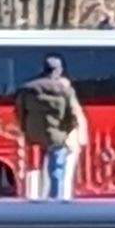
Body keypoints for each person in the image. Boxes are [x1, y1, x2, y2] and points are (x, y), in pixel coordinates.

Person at [11, 53, 87, 200]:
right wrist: (68, 129)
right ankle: (55, 196)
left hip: (33, 132)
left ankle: (34, 193)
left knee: (34, 163)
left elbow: (19, 110)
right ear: (59, 70)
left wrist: (25, 126)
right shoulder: (65, 90)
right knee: (57, 165)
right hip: (57, 134)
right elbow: (73, 114)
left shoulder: (27, 88)